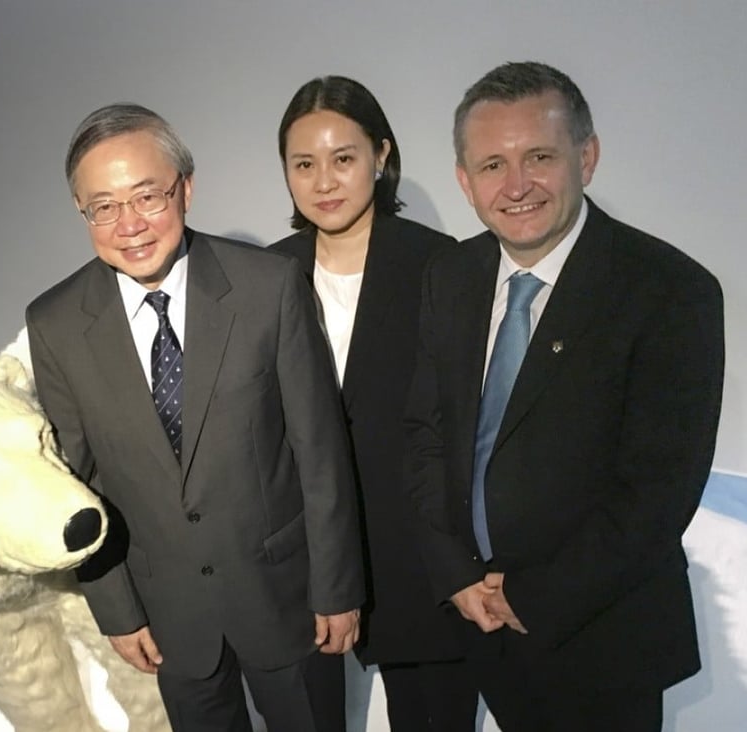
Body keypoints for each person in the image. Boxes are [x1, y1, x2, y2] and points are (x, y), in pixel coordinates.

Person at [403, 61, 724, 731]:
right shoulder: (450, 275)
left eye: (539, 157)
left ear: (588, 156)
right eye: (491, 165)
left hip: (600, 641)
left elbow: (656, 494)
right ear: (464, 180)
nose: (515, 186)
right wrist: (455, 573)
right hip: (475, 622)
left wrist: (530, 596)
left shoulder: (668, 290)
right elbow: (425, 436)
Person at [25, 103, 365, 732]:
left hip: (286, 600)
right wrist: (116, 609)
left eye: (146, 196)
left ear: (186, 188)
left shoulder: (269, 285)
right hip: (169, 617)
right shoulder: (55, 323)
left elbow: (320, 450)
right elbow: (76, 485)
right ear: (83, 213)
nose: (128, 224)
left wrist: (338, 589)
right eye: (103, 206)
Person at [270, 76, 476, 731]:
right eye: (304, 164)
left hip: (419, 565)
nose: (324, 180)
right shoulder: (264, 276)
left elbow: (461, 426)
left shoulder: (441, 266)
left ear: (380, 156)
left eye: (343, 158)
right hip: (302, 570)